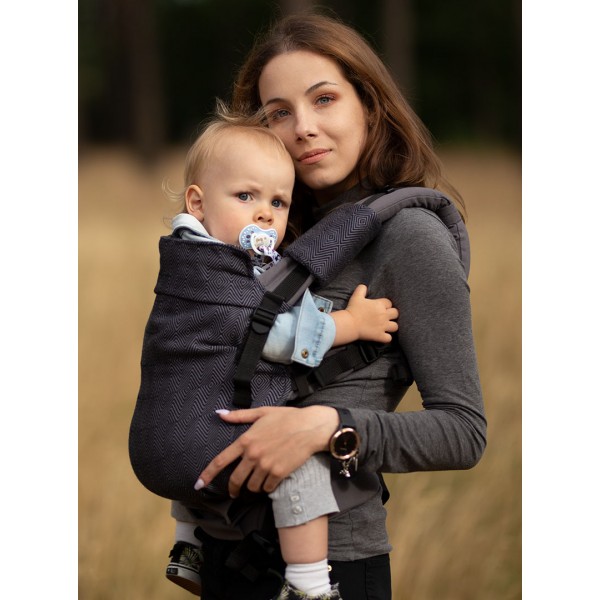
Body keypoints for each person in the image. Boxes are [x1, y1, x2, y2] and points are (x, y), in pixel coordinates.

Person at [195, 12, 487, 600]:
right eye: (279, 112)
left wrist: (327, 427)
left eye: (324, 99)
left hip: (332, 569)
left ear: (369, 107)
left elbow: (463, 432)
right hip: (229, 549)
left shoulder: (409, 237)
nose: (303, 128)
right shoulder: (269, 231)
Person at [160, 108, 399, 599]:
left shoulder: (184, 254)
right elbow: (270, 334)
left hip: (171, 436)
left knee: (195, 418)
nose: (265, 214)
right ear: (197, 202)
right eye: (245, 196)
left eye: (278, 201)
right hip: (203, 438)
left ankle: (189, 546)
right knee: (300, 465)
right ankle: (308, 584)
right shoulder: (218, 272)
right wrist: (350, 324)